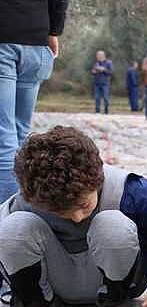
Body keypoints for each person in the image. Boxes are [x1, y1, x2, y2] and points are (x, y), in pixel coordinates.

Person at [0, 126, 147, 307]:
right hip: (55, 282)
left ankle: (116, 305)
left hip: (118, 281)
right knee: (11, 228)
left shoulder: (135, 192)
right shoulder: (30, 198)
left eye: (82, 205)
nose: (78, 218)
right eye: (61, 212)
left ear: (96, 178)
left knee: (112, 226)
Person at [0, 0, 68, 204]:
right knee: (20, 134)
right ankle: (22, 207)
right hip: (37, 42)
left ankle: (8, 214)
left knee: (4, 136)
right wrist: (54, 31)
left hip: (4, 40)